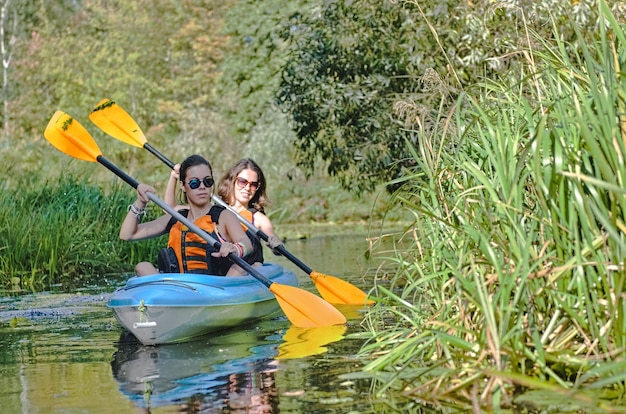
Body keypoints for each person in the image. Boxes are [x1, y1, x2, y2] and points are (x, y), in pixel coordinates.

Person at [120, 154, 254, 277]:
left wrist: (235, 248)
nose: (202, 187)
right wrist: (140, 202)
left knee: (240, 268)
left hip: (214, 289)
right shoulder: (176, 218)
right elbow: (127, 235)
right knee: (143, 267)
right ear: (183, 186)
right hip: (179, 289)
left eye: (207, 182)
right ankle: (166, 299)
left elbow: (247, 243)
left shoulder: (223, 216)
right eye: (194, 183)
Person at [165, 158, 283, 266]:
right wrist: (174, 178)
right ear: (232, 181)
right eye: (242, 182)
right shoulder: (214, 211)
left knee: (252, 266)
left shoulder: (258, 218)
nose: (247, 188)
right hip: (222, 273)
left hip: (248, 271)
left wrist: (276, 246)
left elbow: (272, 238)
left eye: (253, 185)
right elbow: (170, 210)